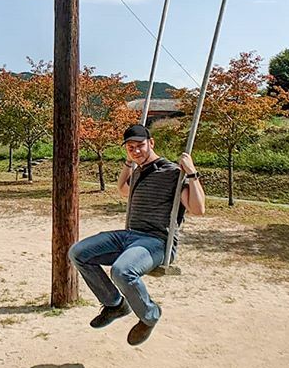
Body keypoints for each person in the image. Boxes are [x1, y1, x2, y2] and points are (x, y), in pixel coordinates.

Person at [68, 123, 206, 346]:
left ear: (151, 143)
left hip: (157, 242)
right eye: (130, 147)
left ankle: (150, 315)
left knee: (122, 271)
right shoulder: (139, 171)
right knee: (78, 252)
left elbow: (198, 210)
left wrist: (192, 173)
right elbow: (123, 188)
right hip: (129, 236)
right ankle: (115, 304)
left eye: (140, 145)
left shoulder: (172, 173)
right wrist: (129, 163)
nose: (136, 150)